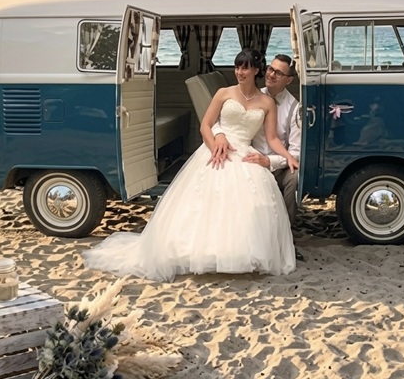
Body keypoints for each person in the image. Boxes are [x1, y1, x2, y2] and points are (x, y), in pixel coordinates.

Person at [83, 49, 299, 282]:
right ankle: (198, 252)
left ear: (256, 70)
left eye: (245, 68)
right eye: (237, 67)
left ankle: (237, 253)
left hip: (245, 151)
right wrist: (216, 142)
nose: (239, 72)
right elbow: (205, 125)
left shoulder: (267, 102)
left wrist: (289, 156)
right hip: (218, 150)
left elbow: (273, 139)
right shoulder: (223, 93)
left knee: (250, 200)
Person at [210, 53, 303, 258]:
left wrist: (270, 161)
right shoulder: (249, 92)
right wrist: (220, 135)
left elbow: (293, 151)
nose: (272, 75)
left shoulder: (295, 108)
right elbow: (217, 120)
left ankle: (284, 238)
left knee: (295, 177)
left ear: (289, 79)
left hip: (275, 164)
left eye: (279, 73)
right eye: (271, 69)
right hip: (246, 156)